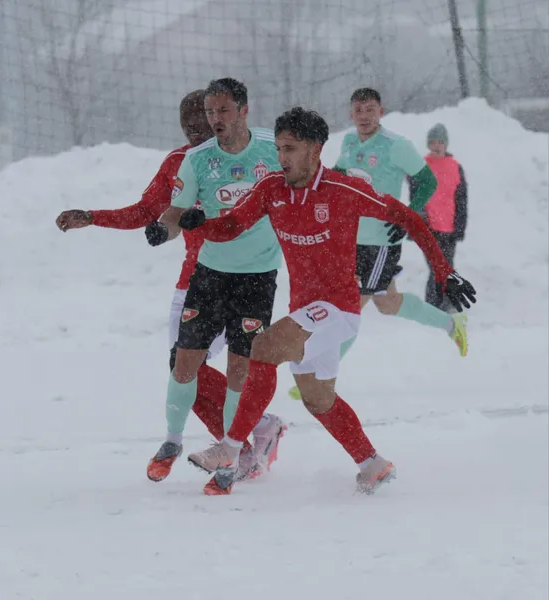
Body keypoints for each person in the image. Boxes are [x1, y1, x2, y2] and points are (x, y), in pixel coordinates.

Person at [178, 107, 477, 496]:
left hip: (338, 309)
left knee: (263, 347)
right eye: (279, 149)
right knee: (318, 400)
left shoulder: (343, 190)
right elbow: (233, 224)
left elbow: (408, 218)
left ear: (315, 149)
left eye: (290, 149)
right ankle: (372, 464)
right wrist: (203, 225)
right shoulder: (271, 189)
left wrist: (444, 272)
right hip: (306, 312)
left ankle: (230, 451)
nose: (281, 157)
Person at [56, 90, 245, 483]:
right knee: (182, 368)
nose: (193, 125)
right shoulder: (179, 162)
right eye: (185, 119)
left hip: (244, 278)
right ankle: (250, 433)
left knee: (221, 367)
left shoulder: (246, 156)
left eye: (200, 116)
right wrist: (93, 216)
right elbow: (146, 211)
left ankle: (240, 442)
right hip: (194, 281)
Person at [146, 77, 287, 482]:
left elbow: (305, 185)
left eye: (223, 110)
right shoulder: (197, 160)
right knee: (183, 361)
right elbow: (175, 213)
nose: (215, 119)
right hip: (209, 275)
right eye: (210, 112)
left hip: (257, 278)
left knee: (239, 369)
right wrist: (163, 230)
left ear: (243, 110)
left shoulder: (272, 149)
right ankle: (172, 441)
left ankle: (231, 453)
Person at [287, 88, 468, 401]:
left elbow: (428, 181)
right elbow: (341, 174)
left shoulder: (396, 145)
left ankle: (318, 375)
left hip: (382, 241)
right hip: (353, 238)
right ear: (351, 113)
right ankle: (451, 324)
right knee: (388, 303)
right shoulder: (349, 141)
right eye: (358, 110)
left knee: (351, 306)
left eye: (370, 109)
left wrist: (409, 215)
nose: (364, 116)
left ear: (380, 112)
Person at [417, 123, 467, 310]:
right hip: (428, 226)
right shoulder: (421, 166)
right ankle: (435, 305)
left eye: (440, 142)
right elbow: (416, 195)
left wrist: (460, 226)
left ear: (446, 144)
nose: (436, 146)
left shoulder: (455, 167)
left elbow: (461, 199)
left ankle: (442, 304)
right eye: (433, 142)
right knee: (436, 267)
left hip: (449, 227)